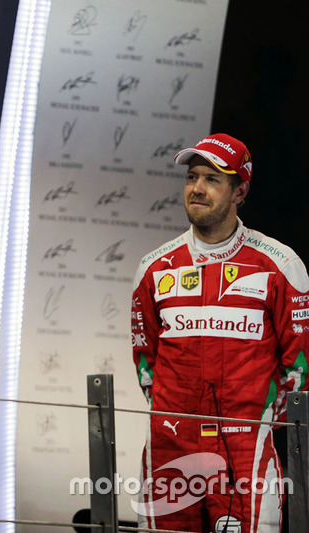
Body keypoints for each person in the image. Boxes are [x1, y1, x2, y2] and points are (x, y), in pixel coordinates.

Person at [131, 133, 309, 532]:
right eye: (192, 177)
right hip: (169, 447)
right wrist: (178, 419)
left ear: (240, 190)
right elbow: (147, 361)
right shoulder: (153, 267)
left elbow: (299, 366)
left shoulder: (281, 265)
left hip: (246, 450)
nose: (196, 188)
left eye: (212, 179)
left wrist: (254, 422)